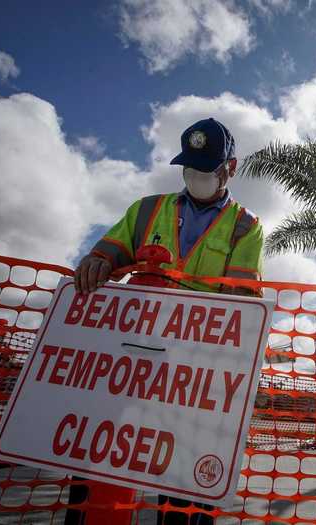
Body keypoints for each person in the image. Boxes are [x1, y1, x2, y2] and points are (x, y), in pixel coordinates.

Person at [70, 118, 264, 525]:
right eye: (189, 169)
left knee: (183, 487)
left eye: (206, 170)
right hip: (129, 363)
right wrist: (97, 261)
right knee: (102, 470)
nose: (196, 178)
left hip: (192, 374)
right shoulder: (145, 211)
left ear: (231, 168)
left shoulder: (246, 227)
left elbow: (241, 302)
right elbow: (109, 252)